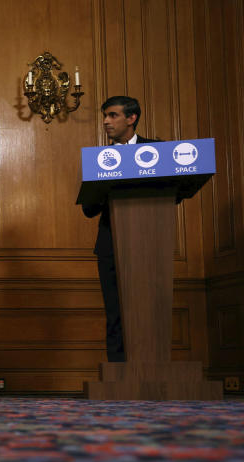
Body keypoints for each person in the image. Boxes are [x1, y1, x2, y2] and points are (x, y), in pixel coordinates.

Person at [82, 95, 159, 362]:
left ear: (131, 118)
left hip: (150, 243)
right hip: (110, 245)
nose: (106, 121)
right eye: (105, 116)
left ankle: (153, 367)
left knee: (150, 310)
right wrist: (107, 184)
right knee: (115, 312)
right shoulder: (101, 159)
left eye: (112, 115)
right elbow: (88, 208)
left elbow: (177, 193)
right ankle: (118, 373)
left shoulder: (158, 151)